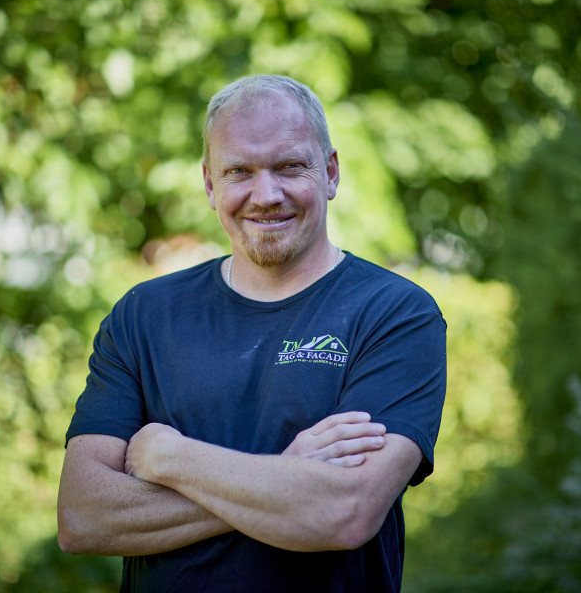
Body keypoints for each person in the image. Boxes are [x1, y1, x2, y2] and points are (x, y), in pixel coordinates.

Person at [57, 74, 447, 593]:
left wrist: (170, 458)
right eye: (239, 171)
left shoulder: (395, 314)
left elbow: (343, 512)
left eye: (289, 166)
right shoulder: (143, 316)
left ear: (330, 173)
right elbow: (82, 515)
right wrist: (288, 475)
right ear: (209, 184)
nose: (266, 195)